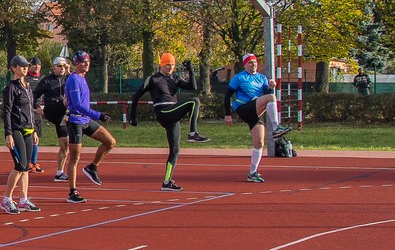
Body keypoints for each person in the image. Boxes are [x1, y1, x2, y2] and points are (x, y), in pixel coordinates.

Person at [127, 52, 210, 191]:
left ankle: (167, 181)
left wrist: (190, 69)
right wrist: (133, 117)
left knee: (175, 150)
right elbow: (136, 96)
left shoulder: (175, 78)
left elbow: (193, 87)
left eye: (172, 65)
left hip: (173, 113)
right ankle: (193, 133)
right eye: (167, 65)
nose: (170, 67)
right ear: (161, 65)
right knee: (194, 101)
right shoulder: (153, 79)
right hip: (163, 112)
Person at [223, 53, 291, 183]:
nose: (253, 64)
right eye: (250, 62)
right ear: (245, 65)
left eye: (255, 62)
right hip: (243, 108)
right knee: (271, 98)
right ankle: (276, 128)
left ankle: (252, 173)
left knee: (259, 143)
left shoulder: (262, 77)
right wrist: (227, 114)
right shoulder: (239, 77)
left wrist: (271, 87)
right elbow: (227, 96)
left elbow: (268, 95)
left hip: (255, 111)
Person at [61, 51, 115, 203]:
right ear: (76, 63)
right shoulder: (73, 79)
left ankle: (92, 167)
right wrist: (98, 115)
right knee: (75, 157)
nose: (86, 64)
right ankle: (72, 192)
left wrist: (94, 116)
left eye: (88, 61)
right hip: (75, 121)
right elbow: (77, 104)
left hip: (86, 119)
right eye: (83, 62)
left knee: (110, 142)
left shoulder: (82, 78)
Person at [0, 55, 40, 214]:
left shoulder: (28, 87)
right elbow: (6, 111)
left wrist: (34, 129)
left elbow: (30, 110)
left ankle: (23, 200)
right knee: (20, 165)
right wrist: (8, 133)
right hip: (16, 130)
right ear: (14, 68)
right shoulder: (11, 87)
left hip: (28, 130)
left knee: (26, 167)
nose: (25, 68)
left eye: (26, 66)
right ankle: (7, 199)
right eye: (22, 66)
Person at [33, 55, 72, 182]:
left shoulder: (69, 78)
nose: (62, 68)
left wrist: (70, 72)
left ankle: (59, 173)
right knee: (66, 101)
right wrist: (37, 106)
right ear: (53, 67)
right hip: (52, 110)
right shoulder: (47, 80)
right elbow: (34, 95)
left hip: (64, 115)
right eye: (59, 66)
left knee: (65, 144)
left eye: (64, 66)